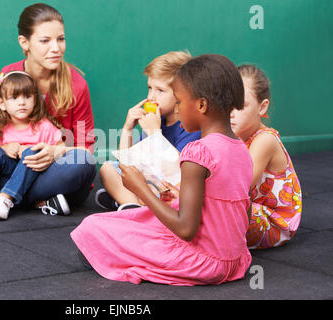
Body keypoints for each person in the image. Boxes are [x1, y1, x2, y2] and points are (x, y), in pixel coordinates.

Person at [71, 54, 253, 286]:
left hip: (202, 261)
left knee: (92, 228)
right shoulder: (242, 150)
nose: (177, 108)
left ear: (201, 105)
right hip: (237, 260)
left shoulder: (197, 152)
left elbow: (186, 229)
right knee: (139, 218)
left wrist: (140, 189)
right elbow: (243, 214)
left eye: (178, 101)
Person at [0, 3, 96, 215]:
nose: (56, 48)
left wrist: (55, 152)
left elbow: (87, 150)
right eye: (45, 41)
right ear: (25, 42)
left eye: (61, 39)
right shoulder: (9, 75)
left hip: (51, 172)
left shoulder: (77, 85)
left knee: (84, 164)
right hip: (11, 166)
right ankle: (29, 200)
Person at [95, 51, 201, 211]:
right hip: (151, 184)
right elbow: (127, 166)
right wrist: (127, 129)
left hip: (174, 190)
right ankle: (133, 206)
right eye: (150, 88)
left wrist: (154, 134)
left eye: (160, 90)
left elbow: (179, 174)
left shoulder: (190, 126)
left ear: (182, 93)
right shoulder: (156, 120)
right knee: (108, 169)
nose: (151, 97)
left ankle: (126, 202)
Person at [0, 71, 67, 220]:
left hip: (34, 175)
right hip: (7, 172)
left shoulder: (44, 127)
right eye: (14, 98)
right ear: (2, 103)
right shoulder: (3, 128)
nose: (22, 102)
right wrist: (3, 148)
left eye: (27, 97)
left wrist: (38, 150)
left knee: (32, 151)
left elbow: (62, 148)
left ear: (35, 100)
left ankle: (5, 199)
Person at [230, 64, 302, 249]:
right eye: (227, 102)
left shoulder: (265, 139)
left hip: (274, 222)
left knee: (217, 208)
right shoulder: (234, 135)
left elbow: (240, 186)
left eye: (240, 105)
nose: (231, 112)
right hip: (251, 210)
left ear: (262, 108)